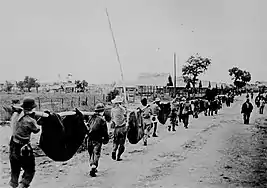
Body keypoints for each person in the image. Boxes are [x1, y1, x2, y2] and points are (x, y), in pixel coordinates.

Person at [9, 97, 40, 188]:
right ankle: (22, 186)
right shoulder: (30, 121)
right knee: (30, 170)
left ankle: (13, 186)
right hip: (24, 148)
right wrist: (34, 118)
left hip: (13, 145)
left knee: (15, 169)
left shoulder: (15, 115)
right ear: (32, 108)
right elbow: (36, 130)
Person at [87, 103, 109, 177]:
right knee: (96, 153)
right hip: (97, 139)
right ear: (102, 111)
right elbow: (105, 131)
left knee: (91, 153)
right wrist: (106, 139)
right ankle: (94, 166)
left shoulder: (91, 118)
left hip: (89, 138)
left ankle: (92, 165)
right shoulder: (102, 120)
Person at [110, 96, 127, 161]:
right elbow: (125, 116)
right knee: (122, 143)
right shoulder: (122, 109)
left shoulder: (113, 110)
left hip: (116, 128)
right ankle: (118, 156)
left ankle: (114, 150)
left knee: (115, 142)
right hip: (122, 127)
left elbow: (112, 119)